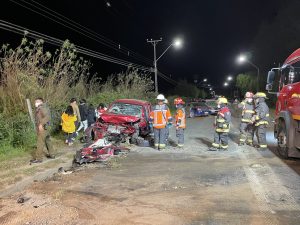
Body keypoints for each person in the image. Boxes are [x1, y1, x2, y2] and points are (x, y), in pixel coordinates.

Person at [31, 97, 55, 164]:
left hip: (43, 128)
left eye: (37, 101)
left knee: (40, 142)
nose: (35, 103)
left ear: (41, 102)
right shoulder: (41, 108)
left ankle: (39, 159)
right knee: (48, 141)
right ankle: (52, 154)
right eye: (35, 101)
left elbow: (47, 117)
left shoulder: (42, 108)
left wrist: (41, 124)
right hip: (46, 127)